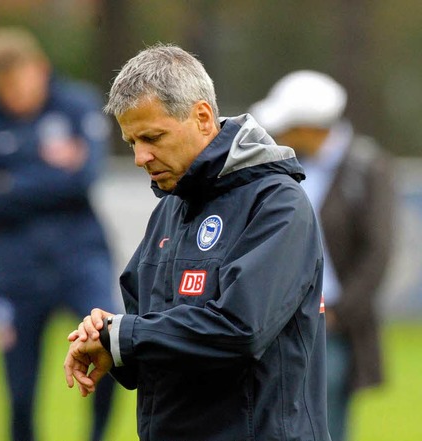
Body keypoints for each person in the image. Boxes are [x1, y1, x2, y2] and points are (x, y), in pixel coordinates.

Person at [64, 43, 330, 441]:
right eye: (131, 142)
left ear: (202, 117)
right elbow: (158, 335)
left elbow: (240, 330)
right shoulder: (171, 209)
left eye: (152, 137)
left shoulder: (276, 203)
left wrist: (125, 335)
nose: (141, 157)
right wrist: (113, 346)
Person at [0, 27, 115, 441]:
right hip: (14, 271)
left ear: (40, 69)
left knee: (111, 350)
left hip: (81, 258)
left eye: (20, 81)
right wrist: (50, 177)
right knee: (20, 393)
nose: (14, 94)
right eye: (3, 86)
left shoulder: (76, 104)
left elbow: (83, 179)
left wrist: (10, 183)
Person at [249, 70, 394, 441]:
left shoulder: (367, 170)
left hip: (332, 331)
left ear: (312, 128)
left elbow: (377, 254)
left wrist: (338, 315)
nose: (278, 134)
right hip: (277, 323)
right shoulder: (279, 165)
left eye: (288, 127)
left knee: (323, 427)